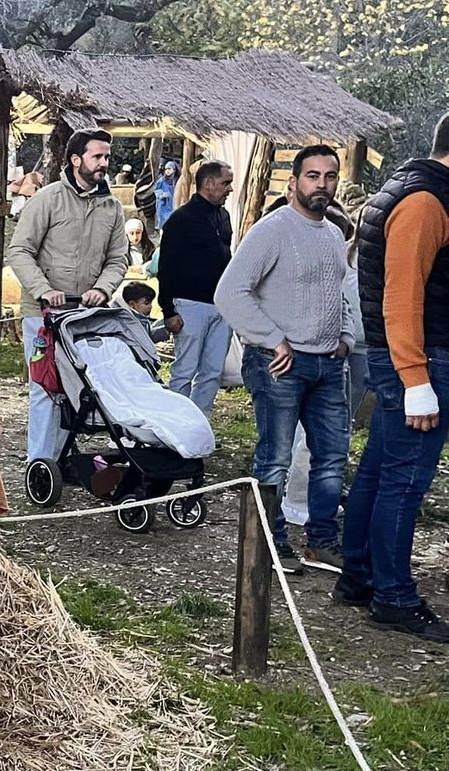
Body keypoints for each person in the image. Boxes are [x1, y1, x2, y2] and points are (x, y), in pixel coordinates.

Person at [215, 144, 353, 574]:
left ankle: (322, 541)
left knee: (331, 458)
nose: (322, 185)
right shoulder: (272, 230)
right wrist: (273, 339)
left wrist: (346, 337)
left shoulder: (333, 234)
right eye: (312, 176)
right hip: (281, 366)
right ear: (294, 182)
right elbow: (229, 292)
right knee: (274, 457)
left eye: (329, 177)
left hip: (329, 364)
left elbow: (342, 294)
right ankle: (271, 544)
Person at [338, 114, 449, 641]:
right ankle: (394, 597)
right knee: (404, 483)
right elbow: (401, 296)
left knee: (382, 471)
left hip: (414, 355)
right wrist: (416, 379)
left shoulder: (417, 190)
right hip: (420, 358)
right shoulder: (425, 202)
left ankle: (359, 575)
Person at [6, 127, 128, 464]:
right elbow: (19, 251)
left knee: (78, 387)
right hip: (43, 314)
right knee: (46, 387)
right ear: (76, 160)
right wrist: (45, 290)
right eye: (97, 156)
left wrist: (103, 288)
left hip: (85, 313)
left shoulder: (112, 207)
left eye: (106, 156)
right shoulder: (48, 198)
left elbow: (119, 257)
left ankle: (61, 457)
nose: (104, 162)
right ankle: (40, 464)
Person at [158, 160, 236, 412]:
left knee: (212, 371)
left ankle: (198, 425)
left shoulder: (224, 216)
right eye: (226, 183)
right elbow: (166, 266)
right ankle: (176, 426)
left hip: (221, 304)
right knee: (184, 370)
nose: (230, 189)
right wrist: (168, 310)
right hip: (189, 304)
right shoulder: (181, 220)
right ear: (208, 183)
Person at [155, 160, 180, 228]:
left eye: (169, 169)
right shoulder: (161, 180)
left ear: (174, 170)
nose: (167, 171)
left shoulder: (177, 181)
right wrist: (162, 194)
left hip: (173, 205)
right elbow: (156, 190)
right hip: (163, 205)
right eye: (166, 169)